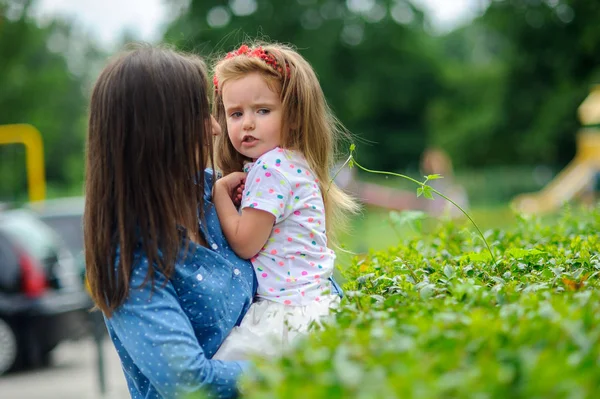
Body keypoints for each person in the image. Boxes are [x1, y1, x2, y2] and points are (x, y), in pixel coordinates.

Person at [83, 45, 257, 399]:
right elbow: (190, 382)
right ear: (157, 132)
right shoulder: (130, 261)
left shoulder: (214, 194)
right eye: (199, 115)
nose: (214, 128)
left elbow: (294, 263)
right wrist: (301, 360)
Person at [210, 43, 359, 360]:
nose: (247, 123)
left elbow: (245, 243)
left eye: (262, 110)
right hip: (313, 306)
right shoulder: (293, 162)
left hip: (285, 315)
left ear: (293, 117)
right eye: (236, 113)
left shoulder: (270, 167)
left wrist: (220, 195)